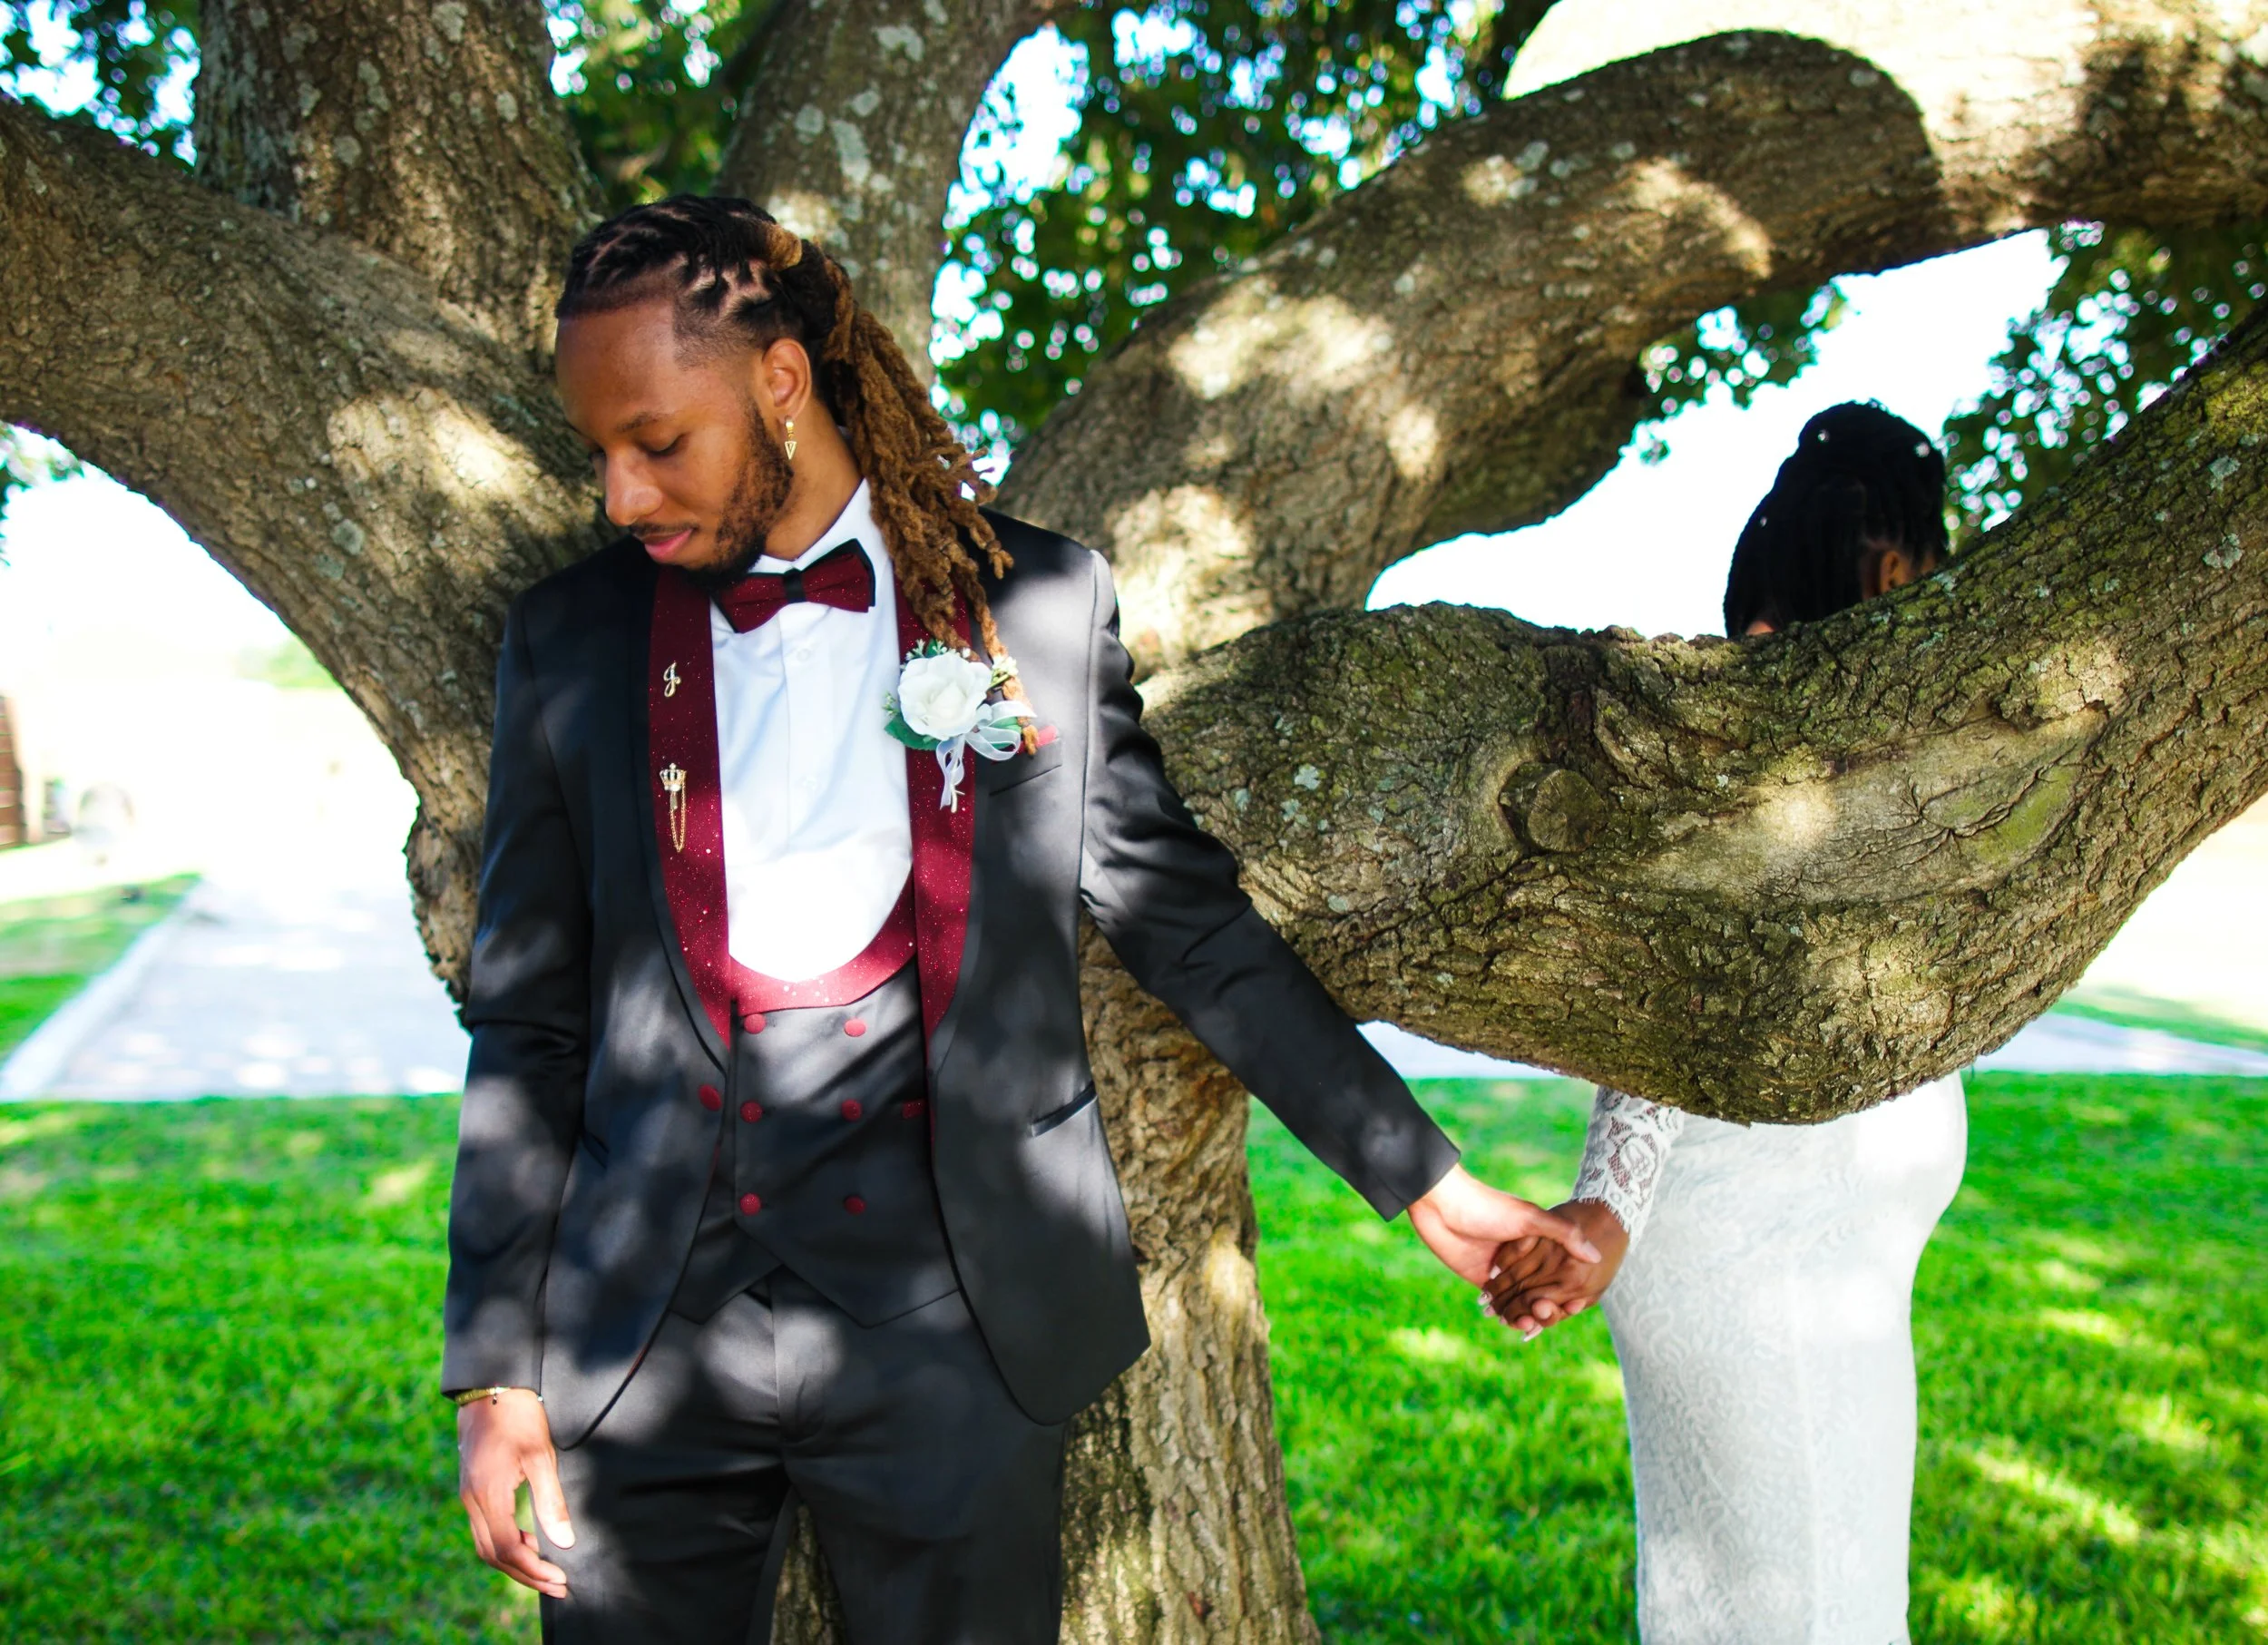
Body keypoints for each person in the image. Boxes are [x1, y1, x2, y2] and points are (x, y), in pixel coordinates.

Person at [442, 194, 1598, 1645]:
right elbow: (531, 1013)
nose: (620, 495)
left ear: (780, 383)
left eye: (657, 442)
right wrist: (499, 1372)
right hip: (640, 1335)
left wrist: (1429, 1185)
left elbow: (1190, 924)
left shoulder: (1031, 608)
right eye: (598, 451)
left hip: (953, 1325)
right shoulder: (571, 639)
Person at [1486, 402, 1970, 1645]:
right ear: (1873, 558)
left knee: (1839, 1608)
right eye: (1911, 557)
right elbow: (1685, 983)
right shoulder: (1757, 725)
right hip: (1751, 1262)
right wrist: (1612, 1200)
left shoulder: (1870, 745)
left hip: (1836, 1267)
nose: (1925, 586)